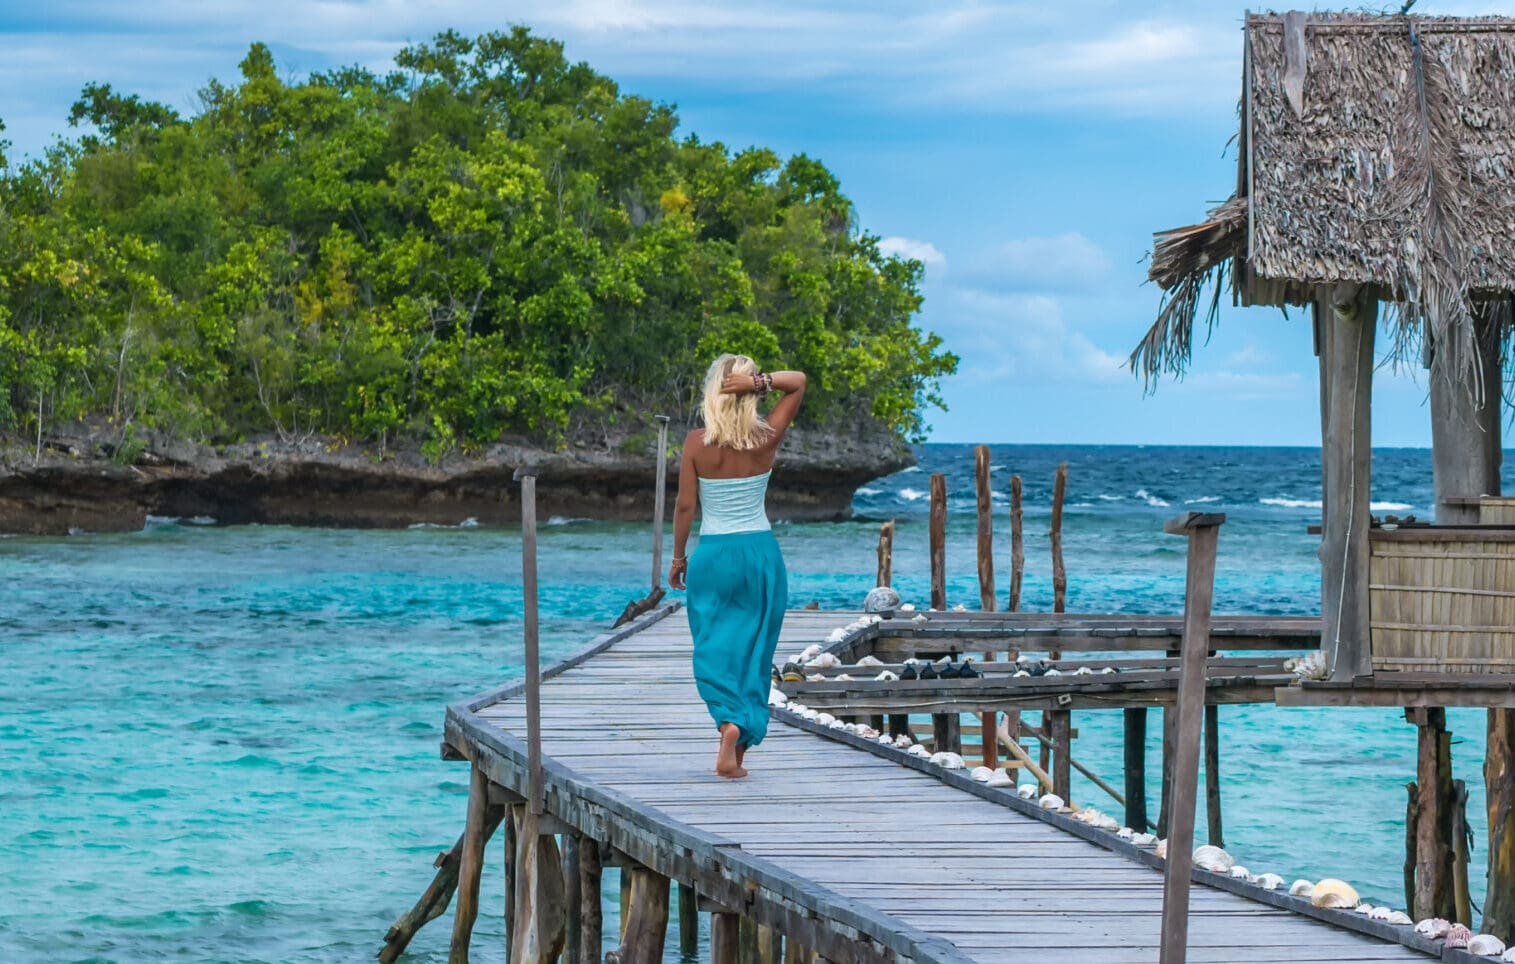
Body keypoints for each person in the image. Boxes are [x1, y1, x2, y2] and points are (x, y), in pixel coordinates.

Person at [669, 354, 807, 779]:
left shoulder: (696, 443)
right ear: (748, 393)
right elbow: (799, 382)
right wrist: (760, 382)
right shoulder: (765, 436)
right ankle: (738, 737)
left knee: (713, 645)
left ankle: (727, 722)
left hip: (713, 554)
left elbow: (686, 506)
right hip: (760, 554)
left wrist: (678, 558)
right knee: (755, 650)